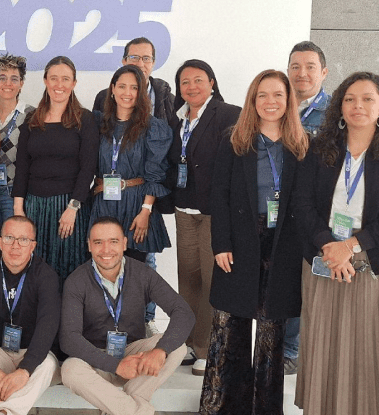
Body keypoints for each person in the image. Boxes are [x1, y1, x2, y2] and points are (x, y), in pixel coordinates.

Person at [293, 72, 379, 415]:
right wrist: (329, 246)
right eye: (349, 99)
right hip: (325, 262)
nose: (357, 105)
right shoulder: (320, 148)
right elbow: (301, 205)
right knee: (326, 348)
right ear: (339, 107)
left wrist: (350, 245)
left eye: (367, 99)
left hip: (374, 267)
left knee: (372, 353)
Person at [200, 70, 308, 414]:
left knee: (271, 331)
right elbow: (219, 196)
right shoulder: (235, 140)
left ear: (289, 101)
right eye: (262, 95)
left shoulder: (303, 144)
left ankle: (264, 408)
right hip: (240, 241)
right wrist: (220, 243)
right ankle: (221, 406)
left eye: (278, 95)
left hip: (283, 246)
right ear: (253, 100)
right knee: (228, 325)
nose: (270, 102)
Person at [60, 217, 194, 415]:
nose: (106, 250)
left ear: (124, 243)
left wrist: (160, 350)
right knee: (70, 369)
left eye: (113, 241)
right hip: (96, 359)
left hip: (135, 355)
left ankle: (121, 407)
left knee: (177, 347)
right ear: (89, 245)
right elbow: (68, 339)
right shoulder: (76, 281)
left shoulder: (142, 273)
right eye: (98, 242)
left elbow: (183, 312)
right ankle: (137, 410)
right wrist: (116, 365)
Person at [160, 59, 241, 375]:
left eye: (198, 80)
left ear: (211, 83)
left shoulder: (229, 114)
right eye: (185, 82)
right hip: (184, 209)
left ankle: (208, 348)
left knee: (211, 281)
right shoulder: (176, 118)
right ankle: (189, 343)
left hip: (213, 212)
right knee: (188, 278)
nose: (191, 87)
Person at [13, 56, 99, 283]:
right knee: (34, 272)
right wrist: (19, 209)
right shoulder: (32, 119)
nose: (59, 85)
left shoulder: (85, 119)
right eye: (53, 78)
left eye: (65, 79)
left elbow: (88, 168)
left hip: (68, 208)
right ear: (45, 81)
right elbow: (22, 166)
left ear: (74, 83)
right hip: (34, 206)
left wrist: (73, 207)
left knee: (69, 270)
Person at [0, 216, 61, 415]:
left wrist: (25, 370)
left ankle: (2, 412)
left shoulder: (46, 276)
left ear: (33, 245)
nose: (15, 246)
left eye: (23, 240)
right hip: (0, 351)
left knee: (47, 365)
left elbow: (48, 327)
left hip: (34, 353)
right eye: (9, 238)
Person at [89, 65, 172, 262]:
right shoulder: (97, 123)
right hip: (102, 203)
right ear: (112, 89)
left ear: (141, 93)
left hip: (136, 205)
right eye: (122, 86)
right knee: (102, 264)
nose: (127, 93)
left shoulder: (153, 127)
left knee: (134, 269)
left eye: (134, 88)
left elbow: (155, 174)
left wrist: (146, 211)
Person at [283, 40, 330, 374]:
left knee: (314, 283)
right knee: (285, 282)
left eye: (310, 67)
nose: (302, 73)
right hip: (280, 210)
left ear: (323, 72)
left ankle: (296, 350)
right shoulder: (277, 105)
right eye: (295, 67)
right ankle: (283, 348)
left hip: (316, 213)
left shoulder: (335, 113)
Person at [0, 53, 35, 237]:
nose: (8, 84)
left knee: (12, 241)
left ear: (21, 83)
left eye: (14, 79)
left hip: (15, 193)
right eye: (2, 78)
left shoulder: (32, 115)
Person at [91, 37, 176, 122]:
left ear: (153, 63)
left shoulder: (169, 100)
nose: (140, 64)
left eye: (146, 58)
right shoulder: (103, 97)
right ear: (124, 61)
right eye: (134, 57)